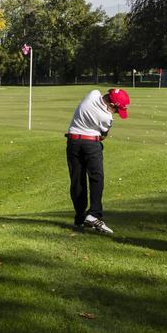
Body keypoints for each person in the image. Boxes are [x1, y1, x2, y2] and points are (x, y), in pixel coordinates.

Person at [65, 87, 130, 235]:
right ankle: (94, 215)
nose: (117, 114)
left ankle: (80, 218)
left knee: (77, 181)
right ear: (112, 105)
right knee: (96, 178)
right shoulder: (106, 117)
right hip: (91, 145)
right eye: (117, 110)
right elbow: (103, 136)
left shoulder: (93, 93)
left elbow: (100, 95)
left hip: (72, 142)